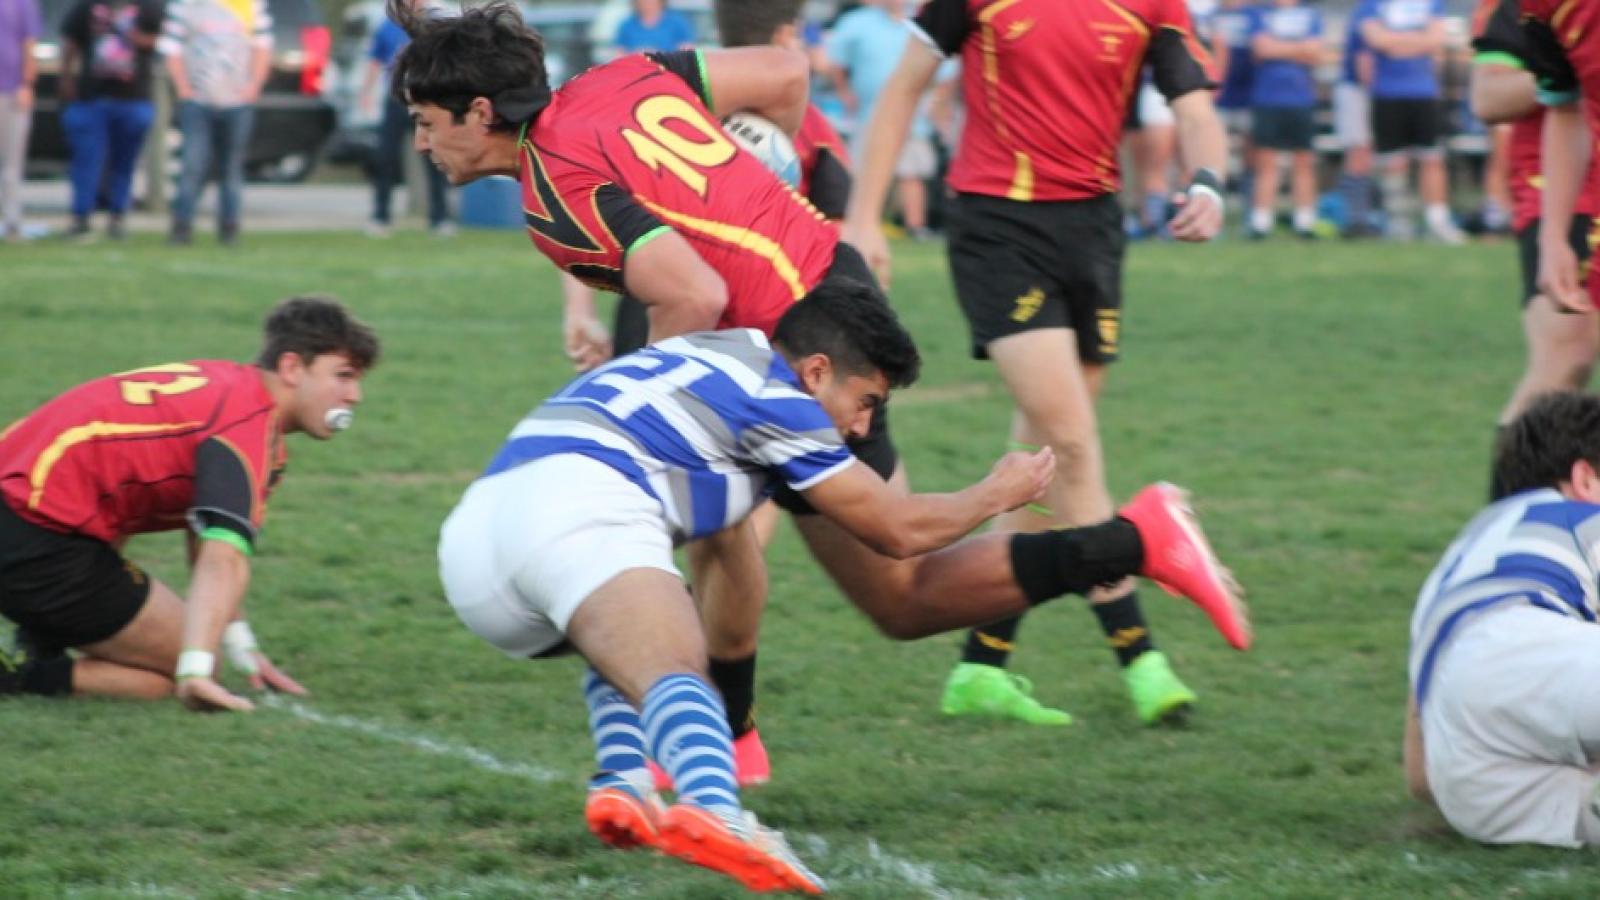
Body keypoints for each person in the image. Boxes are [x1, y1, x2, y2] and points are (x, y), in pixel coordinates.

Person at [389, 0, 1245, 784]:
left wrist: (644, 419)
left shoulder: (553, 190)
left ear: (480, 112)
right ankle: (735, 738)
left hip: (796, 347)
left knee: (878, 567)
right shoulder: (623, 75)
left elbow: (693, 295)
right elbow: (783, 77)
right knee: (767, 548)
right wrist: (772, 196)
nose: (424, 146)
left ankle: (1136, 542)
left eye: (428, 124)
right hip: (821, 287)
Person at [439, 281, 1246, 892]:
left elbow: (730, 561)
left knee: (630, 619)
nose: (862, 427)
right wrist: (996, 492)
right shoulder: (780, 399)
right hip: (575, 506)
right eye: (864, 403)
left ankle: (620, 783)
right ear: (817, 369)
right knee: (671, 662)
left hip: (480, 544)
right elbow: (894, 533)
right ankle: (719, 811)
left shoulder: (712, 358)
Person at [841, 0, 1234, 727]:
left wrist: (1206, 181)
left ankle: (981, 667)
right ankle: (1140, 656)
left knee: (1045, 457)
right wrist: (864, 218)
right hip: (998, 227)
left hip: (1094, 231)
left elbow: (1195, 105)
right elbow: (903, 86)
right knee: (1076, 444)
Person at [0, 297, 379, 713]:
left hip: (25, 510)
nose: (354, 395)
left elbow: (205, 532)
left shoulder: (230, 386)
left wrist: (240, 643)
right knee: (179, 667)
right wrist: (198, 670)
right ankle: (18, 672)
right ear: (292, 368)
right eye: (342, 376)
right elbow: (223, 558)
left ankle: (39, 639)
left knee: (114, 518)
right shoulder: (246, 428)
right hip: (32, 536)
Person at [1405, 390, 1600, 847]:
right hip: (1528, 650)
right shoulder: (1576, 519)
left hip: (1466, 777)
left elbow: (1418, 774)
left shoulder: (1462, 554)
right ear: (1586, 479)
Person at [1470, 0, 1600, 501]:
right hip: (1567, 193)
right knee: (1566, 352)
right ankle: (1506, 523)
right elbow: (1496, 99)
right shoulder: (1533, 8)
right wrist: (1553, 238)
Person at [159, 0, 273, 246]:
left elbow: (262, 47)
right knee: (192, 164)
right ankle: (182, 226)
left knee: (231, 168)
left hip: (237, 101)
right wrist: (183, 88)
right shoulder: (187, 5)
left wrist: (254, 86)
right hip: (198, 99)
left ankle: (229, 228)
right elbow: (171, 48)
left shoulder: (249, 5)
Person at [1352, 0, 1464, 244]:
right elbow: (1376, 40)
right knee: (1392, 161)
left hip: (1424, 93)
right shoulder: (1371, 4)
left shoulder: (1431, 3)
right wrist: (1417, 41)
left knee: (1432, 158)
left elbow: (1435, 40)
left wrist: (1396, 42)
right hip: (1386, 93)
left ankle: (1437, 221)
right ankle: (1398, 222)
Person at [825, 0, 936, 240]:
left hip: (912, 117)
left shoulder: (922, 19)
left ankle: (915, 227)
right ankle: (858, 223)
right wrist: (845, 92)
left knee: (911, 173)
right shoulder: (856, 22)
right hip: (868, 114)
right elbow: (836, 62)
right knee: (858, 170)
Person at [58, 0, 162, 241]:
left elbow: (165, 40)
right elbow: (71, 41)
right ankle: (81, 216)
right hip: (92, 96)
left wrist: (140, 40)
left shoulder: (148, 6)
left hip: (133, 97)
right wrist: (66, 76)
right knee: (86, 160)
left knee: (124, 162)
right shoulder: (87, 6)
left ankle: (118, 216)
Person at [360, 0, 452, 239]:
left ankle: (440, 218)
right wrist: (366, 93)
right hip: (396, 101)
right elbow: (374, 60)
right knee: (385, 158)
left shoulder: (434, 24)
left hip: (426, 100)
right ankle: (380, 216)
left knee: (435, 159)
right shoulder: (388, 26)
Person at [1245, 0, 1324, 240]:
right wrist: (1299, 49)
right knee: (1267, 161)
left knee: (1304, 160)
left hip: (1301, 98)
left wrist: (1278, 48)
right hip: (1267, 98)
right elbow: (1261, 49)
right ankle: (1261, 222)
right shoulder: (1259, 13)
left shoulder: (1310, 14)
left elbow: (1316, 52)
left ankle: (1305, 221)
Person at [1334, 11, 1378, 238]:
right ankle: (1355, 219)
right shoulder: (1368, 11)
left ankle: (1363, 216)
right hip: (1358, 91)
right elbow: (1364, 64)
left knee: (1365, 154)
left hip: (1369, 91)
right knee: (1358, 152)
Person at [0, 0, 39, 242]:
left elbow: (29, 43)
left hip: (12, 90)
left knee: (12, 163)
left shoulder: (23, 3)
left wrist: (27, 84)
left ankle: (12, 222)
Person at [614, 0, 695, 55]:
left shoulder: (678, 23)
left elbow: (687, 53)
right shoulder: (626, 25)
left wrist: (658, 56)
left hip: (668, 74)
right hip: (635, 73)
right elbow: (619, 54)